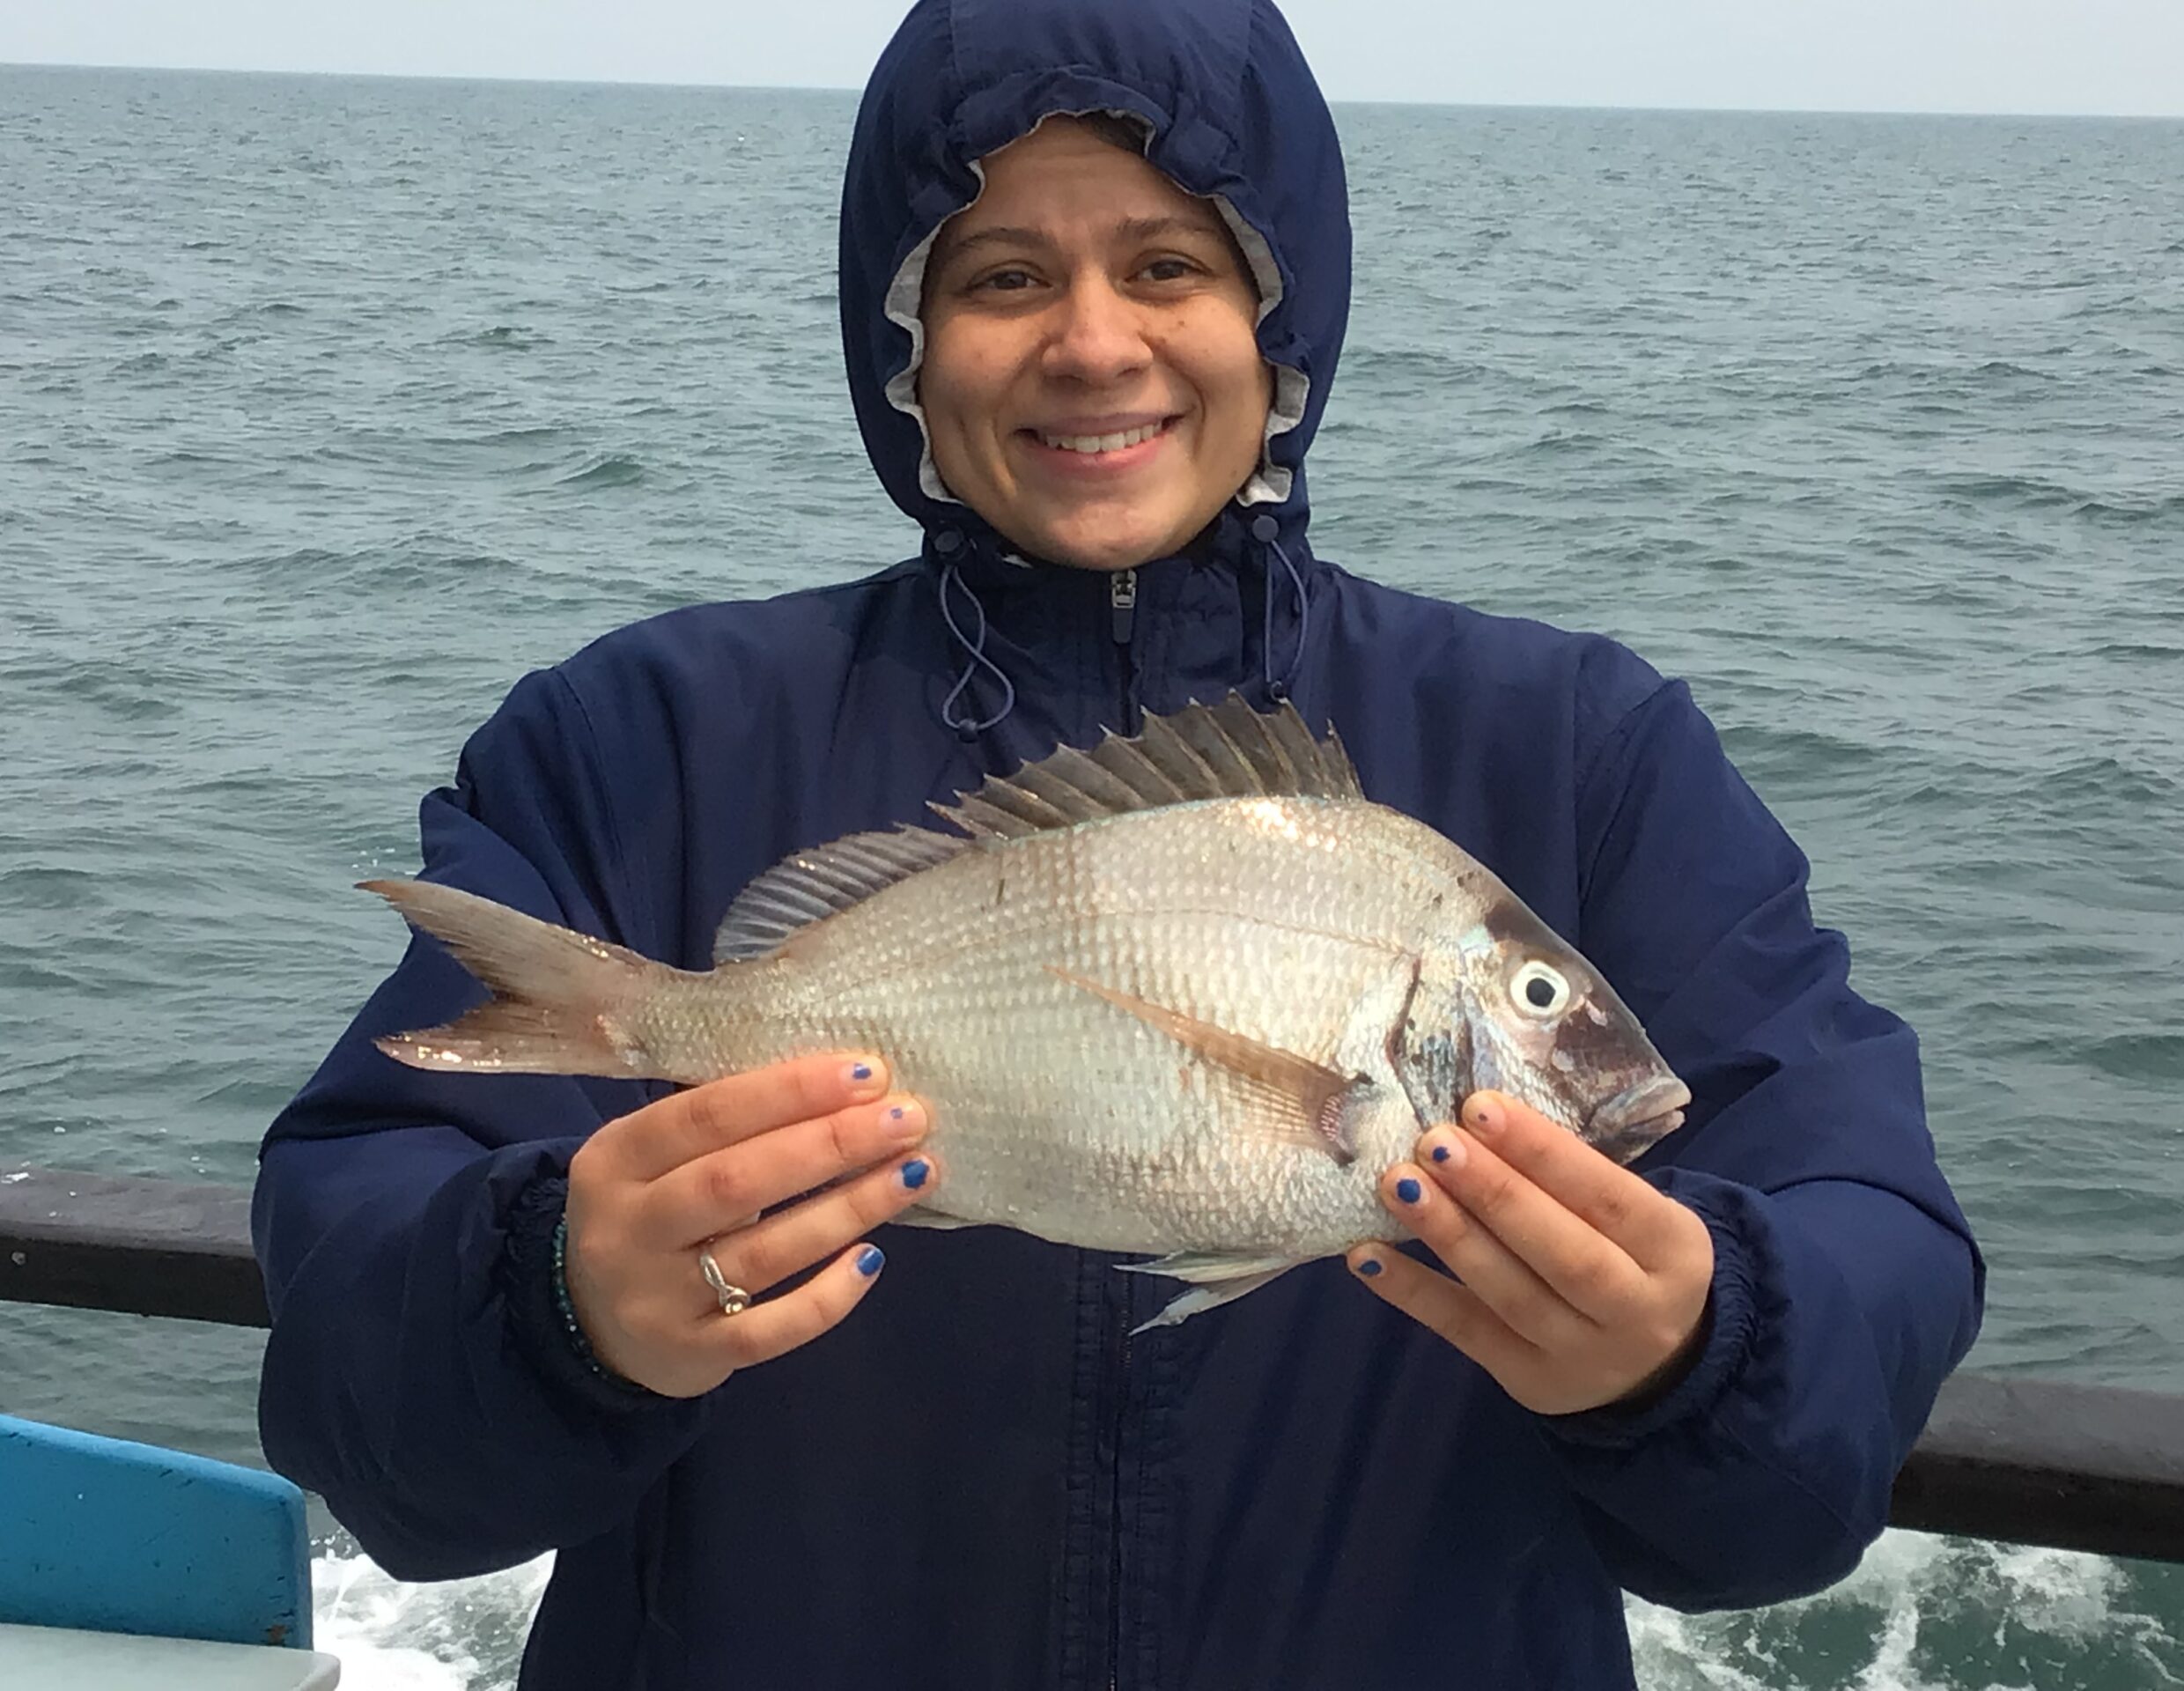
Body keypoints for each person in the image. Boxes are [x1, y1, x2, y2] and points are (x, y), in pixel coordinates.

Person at [252, 1, 1984, 1685]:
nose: (1093, 344)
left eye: (1168, 265)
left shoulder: (1583, 750)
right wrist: (559, 1305)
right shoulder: (633, 742)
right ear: (904, 342)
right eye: (1004, 277)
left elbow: (1855, 1295)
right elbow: (368, 1408)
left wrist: (1700, 1350)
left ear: (1277, 314)